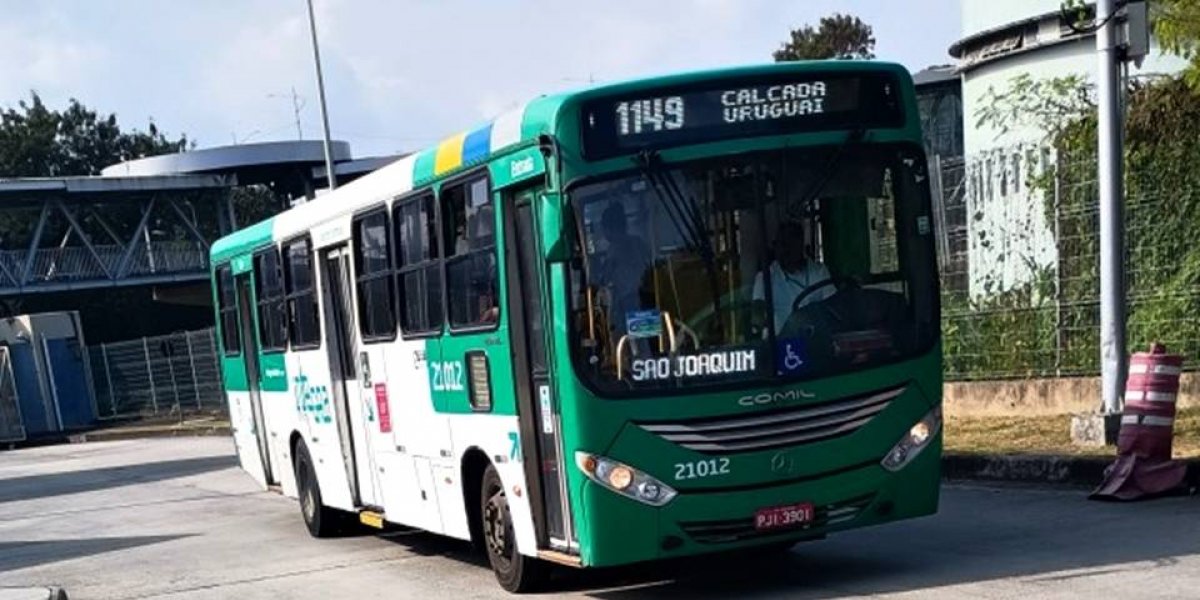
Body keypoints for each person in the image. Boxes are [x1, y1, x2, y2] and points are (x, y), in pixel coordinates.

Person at [752, 221, 833, 332]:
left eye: (790, 245)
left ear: (800, 246)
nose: (785, 251)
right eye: (781, 245)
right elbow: (758, 310)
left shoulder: (819, 272)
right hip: (778, 341)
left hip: (813, 340)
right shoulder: (766, 276)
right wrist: (760, 317)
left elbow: (831, 306)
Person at [597, 201, 653, 329]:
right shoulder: (639, 242)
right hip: (646, 296)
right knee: (648, 333)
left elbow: (604, 278)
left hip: (629, 301)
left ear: (609, 228)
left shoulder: (614, 249)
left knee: (635, 338)